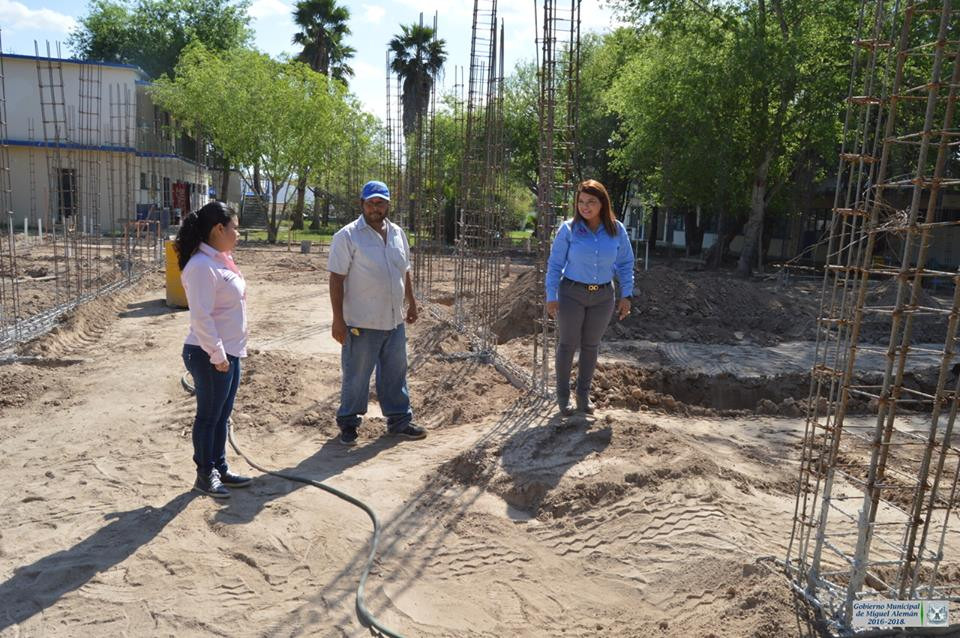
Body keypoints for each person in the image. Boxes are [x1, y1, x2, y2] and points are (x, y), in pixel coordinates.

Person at [327, 180, 427, 445]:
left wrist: (412, 302)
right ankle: (348, 423)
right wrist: (338, 319)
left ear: (388, 205)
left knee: (396, 373)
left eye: (380, 202)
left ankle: (399, 421)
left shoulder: (397, 233)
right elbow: (336, 278)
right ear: (362, 204)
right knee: (357, 375)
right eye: (370, 202)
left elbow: (405, 269)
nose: (375, 207)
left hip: (393, 320)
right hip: (361, 321)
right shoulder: (347, 236)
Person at [176, 201, 252, 498]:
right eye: (235, 227)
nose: (238, 233)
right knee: (208, 416)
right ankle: (204, 474)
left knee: (222, 415)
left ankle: (219, 466)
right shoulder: (201, 266)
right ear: (218, 229)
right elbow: (201, 317)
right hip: (209, 354)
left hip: (229, 352)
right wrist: (218, 356)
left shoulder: (220, 260)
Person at [545, 179, 635, 416]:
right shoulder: (568, 229)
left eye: (591, 202)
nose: (585, 207)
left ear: (602, 204)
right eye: (581, 202)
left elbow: (625, 264)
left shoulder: (617, 230)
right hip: (571, 294)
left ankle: (583, 395)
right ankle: (563, 397)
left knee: (591, 345)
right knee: (567, 344)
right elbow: (555, 265)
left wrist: (627, 294)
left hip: (604, 297)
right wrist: (551, 295)